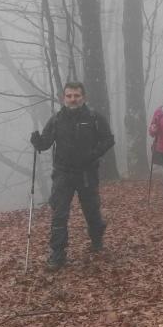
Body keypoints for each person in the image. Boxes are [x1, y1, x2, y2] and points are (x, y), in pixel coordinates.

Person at [29, 81, 115, 271]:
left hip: (87, 172)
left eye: (76, 96)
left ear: (83, 97)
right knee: (59, 214)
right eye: (69, 96)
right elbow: (45, 144)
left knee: (92, 211)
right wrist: (37, 141)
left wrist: (93, 154)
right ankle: (58, 254)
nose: (73, 99)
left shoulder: (94, 117)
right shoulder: (57, 120)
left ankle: (97, 238)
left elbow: (109, 139)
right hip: (63, 173)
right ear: (63, 98)